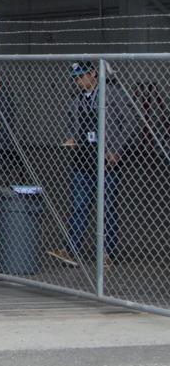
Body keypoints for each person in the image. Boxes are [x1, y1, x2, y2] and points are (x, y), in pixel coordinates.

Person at [49, 61, 132, 267]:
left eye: (81, 76)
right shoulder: (76, 100)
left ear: (93, 74)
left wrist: (117, 148)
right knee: (79, 206)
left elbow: (130, 122)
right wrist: (71, 138)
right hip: (83, 160)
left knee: (107, 207)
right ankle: (71, 250)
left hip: (106, 161)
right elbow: (72, 125)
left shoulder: (113, 95)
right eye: (75, 78)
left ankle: (107, 253)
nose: (78, 81)